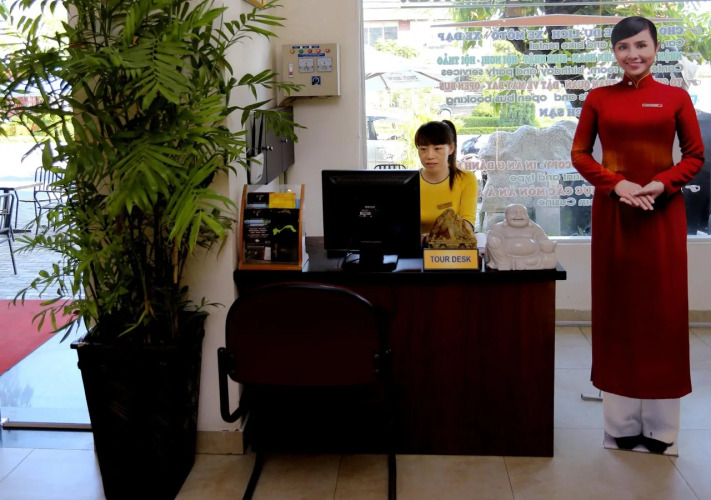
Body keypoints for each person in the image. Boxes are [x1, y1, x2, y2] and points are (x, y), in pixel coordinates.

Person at [570, 16, 705, 454]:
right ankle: (621, 425)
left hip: (662, 215)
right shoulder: (598, 98)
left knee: (663, 313)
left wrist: (662, 184)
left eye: (641, 45)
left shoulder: (676, 97)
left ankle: (663, 430)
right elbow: (579, 154)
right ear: (614, 52)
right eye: (623, 47)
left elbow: (694, 156)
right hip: (615, 214)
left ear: (656, 48)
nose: (633, 54)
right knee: (618, 310)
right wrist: (617, 184)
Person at [415, 120, 478, 237]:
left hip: (452, 246)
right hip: (414, 247)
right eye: (423, 149)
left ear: (451, 148)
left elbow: (467, 225)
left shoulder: (466, 179)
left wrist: (430, 238)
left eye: (437, 149)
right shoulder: (411, 181)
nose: (429, 156)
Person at [485, 203, 557, 270]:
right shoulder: (499, 227)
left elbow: (543, 238)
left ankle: (520, 264)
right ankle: (502, 263)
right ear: (506, 216)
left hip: (532, 259)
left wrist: (547, 244)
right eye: (514, 213)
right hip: (505, 259)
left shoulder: (534, 227)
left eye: (522, 213)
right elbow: (492, 235)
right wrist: (492, 239)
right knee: (493, 242)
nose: (518, 215)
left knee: (550, 261)